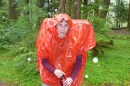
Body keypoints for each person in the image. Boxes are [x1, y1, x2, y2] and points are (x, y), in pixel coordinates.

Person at [36, 14, 96, 86]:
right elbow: (44, 60)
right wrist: (54, 70)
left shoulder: (75, 41)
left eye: (66, 25)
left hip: (67, 79)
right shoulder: (48, 40)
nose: (63, 28)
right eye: (60, 25)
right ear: (56, 26)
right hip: (49, 77)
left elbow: (79, 62)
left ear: (69, 27)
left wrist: (71, 77)